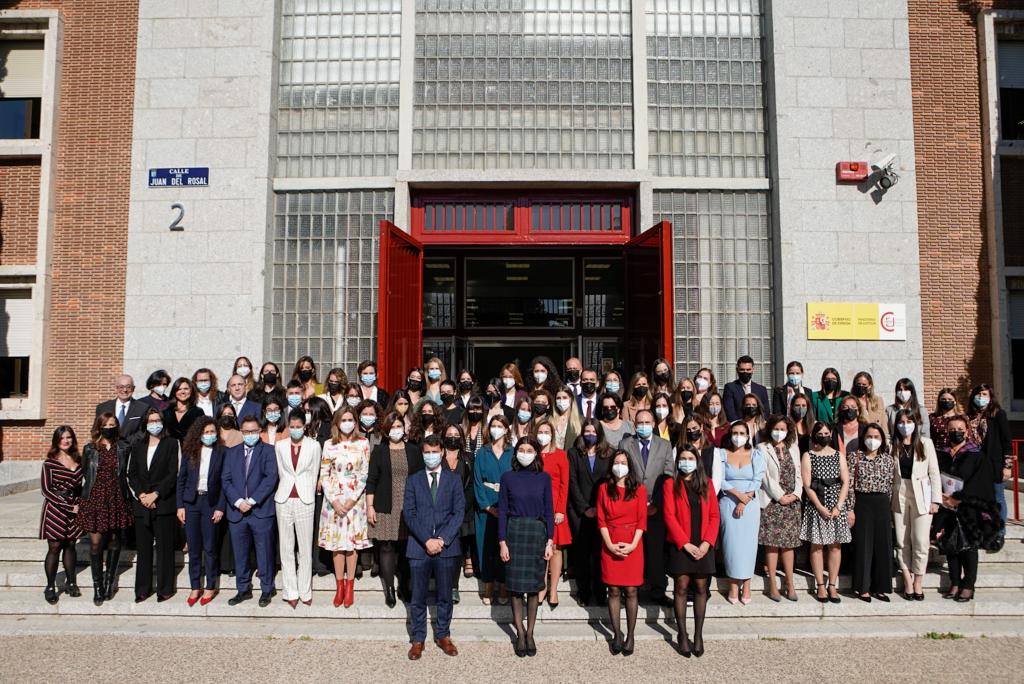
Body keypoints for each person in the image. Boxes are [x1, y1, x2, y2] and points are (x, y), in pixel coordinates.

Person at [403, 435, 464, 660]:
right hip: (419, 546)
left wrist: (442, 539)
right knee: (418, 595)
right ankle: (418, 638)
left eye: (434, 451)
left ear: (441, 452)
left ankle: (443, 635)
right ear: (423, 454)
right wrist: (427, 540)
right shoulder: (414, 480)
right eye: (427, 452)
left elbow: (458, 513)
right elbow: (409, 513)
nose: (431, 455)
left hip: (447, 548)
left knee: (445, 595)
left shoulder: (454, 479)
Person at [934, 415, 1002, 602]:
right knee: (950, 545)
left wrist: (959, 500)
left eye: (959, 429)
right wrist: (940, 496)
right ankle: (955, 582)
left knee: (968, 546)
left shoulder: (976, 455)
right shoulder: (942, 453)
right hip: (945, 506)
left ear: (967, 431)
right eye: (952, 429)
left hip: (968, 508)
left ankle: (968, 584)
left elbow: (980, 484)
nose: (956, 432)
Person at [498, 436, 555, 658]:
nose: (524, 452)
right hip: (514, 532)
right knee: (514, 587)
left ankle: (530, 632)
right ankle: (519, 633)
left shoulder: (544, 478)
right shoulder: (507, 478)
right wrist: (502, 542)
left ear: (536, 453)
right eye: (521, 449)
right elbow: (502, 510)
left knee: (533, 587)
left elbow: (549, 510)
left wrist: (550, 540)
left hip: (536, 533)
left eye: (529, 449)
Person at [664, 443, 718, 658]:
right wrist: (685, 544)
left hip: (703, 544)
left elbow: (715, 515)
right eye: (683, 459)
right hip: (682, 545)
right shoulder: (670, 484)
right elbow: (669, 516)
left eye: (690, 458)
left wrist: (706, 543)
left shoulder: (707, 484)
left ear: (697, 462)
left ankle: (698, 635)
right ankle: (682, 635)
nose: (686, 462)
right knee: (681, 587)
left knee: (701, 588)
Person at [367, 412, 424, 607]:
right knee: (386, 546)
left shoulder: (414, 451)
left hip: (408, 504)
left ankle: (405, 586)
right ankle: (389, 588)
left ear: (404, 428)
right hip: (385, 504)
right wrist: (369, 507)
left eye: (399, 426)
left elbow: (421, 479)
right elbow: (372, 480)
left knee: (407, 547)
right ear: (386, 430)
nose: (396, 430)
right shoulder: (379, 451)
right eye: (392, 427)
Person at [223, 415, 279, 607]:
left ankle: (267, 588)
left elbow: (270, 478)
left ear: (259, 431)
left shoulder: (269, 451)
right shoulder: (232, 452)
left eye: (253, 431)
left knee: (264, 552)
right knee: (240, 553)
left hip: (261, 511)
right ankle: (243, 589)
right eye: (246, 432)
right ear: (241, 432)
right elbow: (226, 480)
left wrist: (253, 501)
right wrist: (239, 501)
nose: (250, 435)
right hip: (237, 512)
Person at [319, 407, 372, 607]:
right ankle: (339, 585)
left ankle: (350, 585)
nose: (347, 422)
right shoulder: (329, 445)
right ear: (337, 422)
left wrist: (351, 501)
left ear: (355, 421)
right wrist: (334, 500)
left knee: (351, 545)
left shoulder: (363, 443)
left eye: (351, 419)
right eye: (344, 419)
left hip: (355, 503)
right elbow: (324, 474)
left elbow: (364, 474)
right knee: (337, 545)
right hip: (334, 503)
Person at [620, 409, 673, 605]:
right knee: (634, 550)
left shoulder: (665, 445)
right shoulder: (626, 444)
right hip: (632, 506)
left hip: (656, 508)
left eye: (647, 422)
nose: (643, 425)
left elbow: (669, 475)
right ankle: (632, 590)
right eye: (639, 422)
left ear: (653, 423)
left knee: (656, 551)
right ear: (634, 424)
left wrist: (656, 504)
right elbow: (623, 473)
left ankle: (658, 590)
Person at [597, 450, 647, 656]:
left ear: (630, 465)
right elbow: (600, 519)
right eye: (616, 462)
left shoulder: (639, 489)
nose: (619, 465)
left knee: (631, 591)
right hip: (610, 541)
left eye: (623, 462)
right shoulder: (603, 489)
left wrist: (633, 544)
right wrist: (609, 544)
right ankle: (617, 634)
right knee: (614, 590)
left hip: (633, 543)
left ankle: (631, 635)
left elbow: (642, 520)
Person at [79, 414, 132, 605]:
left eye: (112, 425)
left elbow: (126, 472)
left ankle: (110, 580)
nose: (109, 427)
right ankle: (97, 585)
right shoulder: (90, 449)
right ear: (99, 427)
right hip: (96, 498)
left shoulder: (124, 447)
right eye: (105, 425)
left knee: (115, 540)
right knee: (95, 543)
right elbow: (86, 473)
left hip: (117, 497)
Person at [127, 408, 180, 602]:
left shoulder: (172, 444)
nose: (154, 424)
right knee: (144, 548)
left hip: (163, 503)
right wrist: (142, 494)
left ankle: (165, 588)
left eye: (157, 420)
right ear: (145, 424)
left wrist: (156, 494)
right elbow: (131, 473)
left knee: (165, 548)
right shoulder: (138, 445)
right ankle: (143, 588)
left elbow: (173, 473)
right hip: (142, 505)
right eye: (151, 421)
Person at [891, 408, 942, 600]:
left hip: (922, 493)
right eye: (901, 422)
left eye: (908, 422)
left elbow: (934, 473)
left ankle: (918, 580)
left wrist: (936, 500)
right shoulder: (892, 444)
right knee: (902, 540)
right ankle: (907, 578)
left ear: (915, 423)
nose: (905, 426)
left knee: (920, 540)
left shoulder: (925, 443)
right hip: (900, 493)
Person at [272, 410, 321, 607]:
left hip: (305, 499)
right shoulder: (280, 446)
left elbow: (314, 471)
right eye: (291, 427)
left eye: (298, 426)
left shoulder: (314, 445)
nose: (295, 430)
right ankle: (290, 590)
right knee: (286, 547)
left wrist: (308, 492)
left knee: (305, 547)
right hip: (283, 499)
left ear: (305, 426)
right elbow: (280, 471)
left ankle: (305, 591)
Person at [176, 417, 226, 606]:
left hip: (211, 503)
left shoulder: (222, 452)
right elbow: (181, 480)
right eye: (206, 432)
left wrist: (221, 506)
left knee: (210, 547)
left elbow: (224, 483)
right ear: (199, 434)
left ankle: (210, 585)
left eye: (213, 432)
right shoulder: (190, 452)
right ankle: (195, 586)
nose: (209, 435)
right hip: (192, 503)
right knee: (194, 548)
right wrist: (180, 505)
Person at [800, 421, 851, 604]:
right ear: (814, 435)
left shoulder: (839, 455)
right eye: (820, 433)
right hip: (817, 504)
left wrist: (838, 506)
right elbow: (807, 485)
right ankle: (820, 585)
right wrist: (820, 507)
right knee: (817, 545)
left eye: (826, 433)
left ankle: (832, 584)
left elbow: (845, 481)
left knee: (835, 545)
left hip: (836, 504)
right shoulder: (809, 456)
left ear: (831, 435)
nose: (823, 436)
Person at [845, 422, 896, 602]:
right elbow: (849, 485)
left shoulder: (888, 459)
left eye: (876, 437)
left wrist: (890, 510)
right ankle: (863, 587)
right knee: (863, 545)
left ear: (882, 440)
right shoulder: (854, 457)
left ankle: (880, 587)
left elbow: (890, 485)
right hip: (862, 502)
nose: (872, 440)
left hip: (882, 503)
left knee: (883, 546)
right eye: (869, 437)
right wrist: (850, 508)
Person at [716, 420, 765, 604]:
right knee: (731, 545)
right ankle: (733, 585)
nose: (738, 437)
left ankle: (747, 584)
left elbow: (758, 478)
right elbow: (719, 479)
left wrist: (746, 499)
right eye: (734, 433)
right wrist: (737, 495)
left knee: (748, 545)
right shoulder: (721, 454)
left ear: (748, 435)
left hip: (750, 505)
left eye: (742, 433)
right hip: (728, 501)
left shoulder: (756, 454)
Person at [756, 416, 802, 602]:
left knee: (789, 545)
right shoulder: (762, 448)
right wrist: (780, 495)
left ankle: (790, 583)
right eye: (776, 428)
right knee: (772, 545)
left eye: (782, 429)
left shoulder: (793, 448)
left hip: (792, 503)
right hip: (773, 502)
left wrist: (796, 494)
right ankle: (773, 584)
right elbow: (765, 477)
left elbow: (799, 473)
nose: (779, 432)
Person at [567, 419, 612, 606]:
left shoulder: (609, 454)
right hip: (580, 511)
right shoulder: (574, 453)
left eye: (594, 431)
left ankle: (601, 593)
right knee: (582, 554)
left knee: (600, 553)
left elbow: (610, 480)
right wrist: (585, 508)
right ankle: (584, 592)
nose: (590, 434)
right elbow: (572, 481)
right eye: (587, 431)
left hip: (602, 511)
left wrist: (599, 508)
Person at [40, 426, 83, 604]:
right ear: (56, 440)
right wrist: (66, 505)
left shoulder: (79, 461)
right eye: (62, 438)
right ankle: (50, 586)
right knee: (55, 547)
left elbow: (81, 487)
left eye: (69, 437)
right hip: (56, 509)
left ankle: (71, 582)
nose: (66, 441)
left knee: (71, 545)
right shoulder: (49, 463)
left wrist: (80, 504)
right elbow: (46, 490)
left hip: (74, 509)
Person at [473, 414, 513, 605]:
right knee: (486, 545)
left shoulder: (512, 452)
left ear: (506, 429)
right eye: (494, 425)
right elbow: (477, 481)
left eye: (500, 425)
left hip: (507, 505)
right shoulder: (483, 452)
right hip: (486, 505)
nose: (497, 428)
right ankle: (488, 584)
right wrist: (487, 505)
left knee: (505, 545)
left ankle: (504, 585)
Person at [966, 383, 1013, 536]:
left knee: (998, 497)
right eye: (978, 394)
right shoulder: (969, 417)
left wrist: (1007, 466)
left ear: (990, 397)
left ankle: (999, 533)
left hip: (994, 464)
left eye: (984, 394)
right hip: (976, 466)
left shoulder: (998, 414)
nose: (981, 398)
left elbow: (1006, 441)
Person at [535, 419, 571, 608]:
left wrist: (560, 510)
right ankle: (541, 586)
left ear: (552, 434)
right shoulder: (532, 454)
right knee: (541, 548)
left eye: (546, 431)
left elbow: (565, 484)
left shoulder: (560, 455)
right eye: (540, 431)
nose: (543, 434)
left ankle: (554, 588)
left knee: (556, 549)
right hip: (537, 507)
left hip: (555, 506)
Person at [441, 423, 475, 599]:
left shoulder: (468, 458)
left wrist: (461, 506)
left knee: (455, 550)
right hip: (440, 512)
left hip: (462, 511)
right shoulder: (436, 456)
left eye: (456, 434)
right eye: (449, 434)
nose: (453, 437)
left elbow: (471, 487)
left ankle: (454, 586)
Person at [305, 397, 335, 577]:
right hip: (306, 483)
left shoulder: (329, 430)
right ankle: (310, 561)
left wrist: (321, 479)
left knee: (321, 524)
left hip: (323, 485)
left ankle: (321, 563)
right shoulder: (306, 429)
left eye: (309, 411)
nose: (306, 414)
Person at [96, 374, 147, 439]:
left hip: (133, 448)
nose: (125, 390)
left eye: (128, 387)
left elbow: (143, 432)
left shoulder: (143, 408)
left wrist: (125, 445)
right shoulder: (102, 408)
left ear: (133, 388)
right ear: (116, 388)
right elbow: (96, 430)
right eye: (121, 387)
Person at [722, 355, 769, 422]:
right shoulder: (730, 388)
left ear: (753, 370)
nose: (745, 372)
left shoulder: (761, 390)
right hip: (738, 427)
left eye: (748, 370)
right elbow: (729, 411)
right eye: (742, 370)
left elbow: (765, 412)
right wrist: (740, 426)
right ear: (737, 370)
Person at [162, 377, 204, 442]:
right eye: (179, 389)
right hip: (170, 450)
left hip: (190, 449)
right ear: (174, 392)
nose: (183, 392)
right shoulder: (166, 412)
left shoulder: (198, 412)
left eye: (186, 389)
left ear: (191, 391)